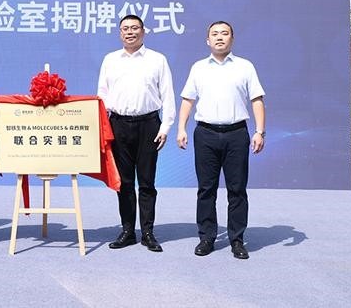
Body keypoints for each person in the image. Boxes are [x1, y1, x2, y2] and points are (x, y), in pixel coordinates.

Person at [176, 21, 265, 260]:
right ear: (208, 40)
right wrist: (181, 128)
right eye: (214, 34)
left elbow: (257, 99)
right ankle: (207, 237)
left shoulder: (245, 67)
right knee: (206, 189)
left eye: (224, 33)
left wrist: (260, 131)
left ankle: (237, 239)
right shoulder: (198, 68)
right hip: (205, 134)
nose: (219, 37)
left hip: (236, 134)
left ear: (231, 39)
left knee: (237, 189)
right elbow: (187, 100)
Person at [97, 14, 176, 252]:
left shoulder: (157, 59)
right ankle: (128, 231)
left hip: (149, 125)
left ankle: (148, 232)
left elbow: (168, 95)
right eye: (125, 29)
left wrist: (165, 127)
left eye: (134, 28)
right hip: (118, 125)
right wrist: (103, 127)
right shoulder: (110, 60)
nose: (129, 32)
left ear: (143, 31)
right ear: (120, 33)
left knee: (147, 182)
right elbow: (102, 95)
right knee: (124, 182)